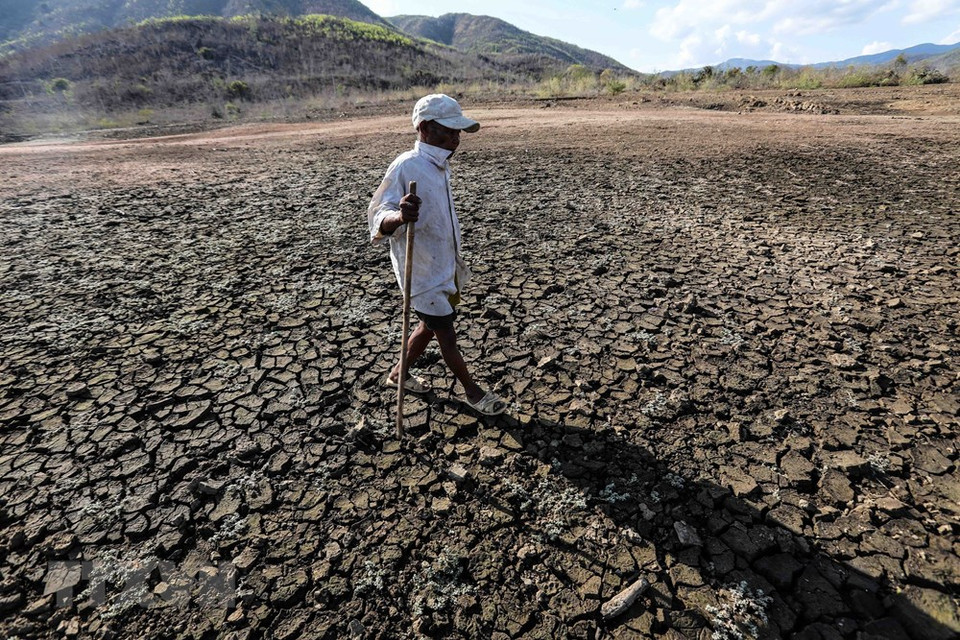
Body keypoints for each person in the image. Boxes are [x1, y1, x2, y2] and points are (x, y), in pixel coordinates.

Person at [368, 94, 507, 416]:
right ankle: (474, 393)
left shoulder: (439, 166)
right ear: (426, 128)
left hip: (442, 266)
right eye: (449, 131)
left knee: (428, 327)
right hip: (421, 273)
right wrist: (400, 217)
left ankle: (397, 375)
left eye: (459, 132)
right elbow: (379, 214)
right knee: (445, 332)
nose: (456, 139)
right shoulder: (407, 165)